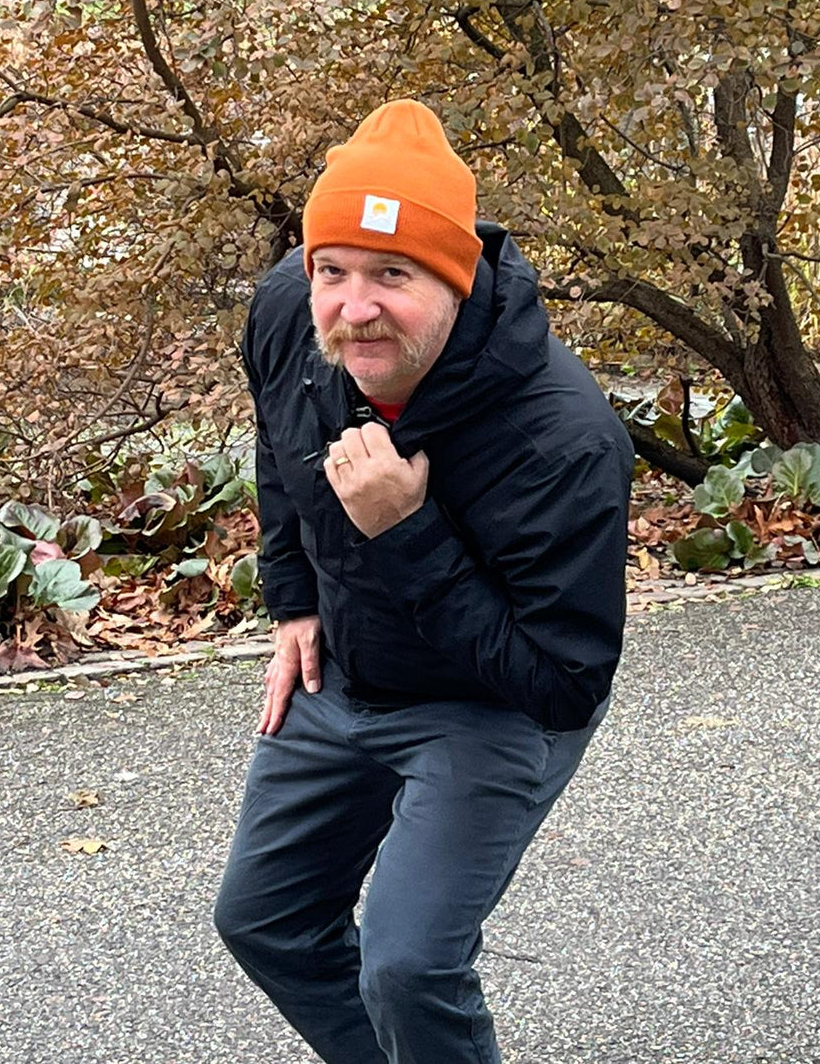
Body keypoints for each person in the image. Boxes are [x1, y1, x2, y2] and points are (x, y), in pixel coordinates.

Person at [214, 99, 633, 1064]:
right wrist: (294, 600)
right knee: (265, 918)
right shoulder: (291, 311)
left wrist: (407, 533)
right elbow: (281, 453)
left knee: (408, 966)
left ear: (456, 278)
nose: (354, 307)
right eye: (335, 271)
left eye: (392, 276)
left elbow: (563, 682)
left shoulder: (562, 439)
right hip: (349, 669)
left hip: (487, 704)